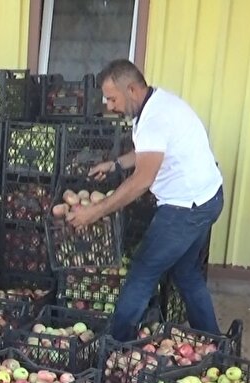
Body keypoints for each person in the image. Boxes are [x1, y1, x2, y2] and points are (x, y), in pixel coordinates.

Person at [64, 59, 223, 343]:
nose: (110, 106)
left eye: (113, 99)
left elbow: (142, 181)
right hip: (207, 198)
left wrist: (95, 212)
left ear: (133, 89)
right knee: (186, 272)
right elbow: (151, 151)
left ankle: (115, 345)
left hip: (185, 208)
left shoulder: (155, 118)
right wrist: (115, 164)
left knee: (142, 271)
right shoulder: (158, 104)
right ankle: (214, 341)